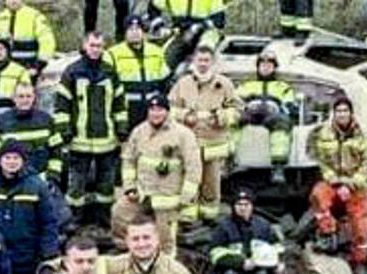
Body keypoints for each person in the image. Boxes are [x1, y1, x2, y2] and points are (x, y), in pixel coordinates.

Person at [0, 142, 65, 274]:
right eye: (7, 157)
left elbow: (48, 223)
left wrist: (48, 255)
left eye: (16, 158)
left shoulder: (37, 186)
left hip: (26, 257)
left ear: (23, 160)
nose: (11, 162)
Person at [57, 31, 128, 227]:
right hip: (79, 140)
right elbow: (61, 105)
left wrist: (122, 127)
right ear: (84, 46)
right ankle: (74, 220)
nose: (96, 49)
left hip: (107, 140)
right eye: (92, 45)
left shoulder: (110, 72)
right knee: (76, 185)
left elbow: (119, 104)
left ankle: (103, 219)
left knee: (106, 184)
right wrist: (64, 130)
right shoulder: (71, 72)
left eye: (99, 46)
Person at [112, 95, 200, 250]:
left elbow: (194, 168)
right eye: (152, 110)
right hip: (142, 192)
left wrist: (185, 198)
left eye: (160, 110)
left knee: (164, 240)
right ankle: (126, 252)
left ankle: (165, 267)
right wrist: (130, 187)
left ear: (167, 112)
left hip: (168, 197)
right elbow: (128, 160)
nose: (155, 113)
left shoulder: (183, 135)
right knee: (120, 213)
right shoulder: (139, 131)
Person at [169, 47, 241, 222]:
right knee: (189, 180)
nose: (202, 64)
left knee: (211, 183)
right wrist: (184, 115)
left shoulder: (225, 84)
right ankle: (188, 216)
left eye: (206, 60)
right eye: (199, 60)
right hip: (188, 144)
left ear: (213, 62)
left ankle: (210, 217)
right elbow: (169, 110)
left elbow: (237, 110)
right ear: (194, 61)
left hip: (213, 145)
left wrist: (221, 117)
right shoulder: (182, 84)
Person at [308, 96, 367, 267]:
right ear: (334, 114)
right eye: (338, 111)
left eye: (345, 111)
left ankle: (360, 257)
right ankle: (328, 233)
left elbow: (366, 167)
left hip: (355, 184)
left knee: (361, 221)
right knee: (317, 195)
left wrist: (350, 185)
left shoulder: (361, 137)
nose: (342, 114)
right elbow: (323, 163)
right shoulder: (324, 135)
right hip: (334, 182)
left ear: (351, 113)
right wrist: (335, 181)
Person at [237, 50, 297, 184]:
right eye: (262, 65)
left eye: (269, 65)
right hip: (250, 115)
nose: (265, 67)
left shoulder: (283, 87)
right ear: (258, 67)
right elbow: (235, 102)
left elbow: (291, 106)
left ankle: (278, 166)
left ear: (274, 68)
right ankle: (228, 160)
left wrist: (276, 109)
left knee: (282, 121)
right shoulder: (247, 85)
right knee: (232, 119)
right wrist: (247, 108)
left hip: (272, 116)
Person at [107, 15, 173, 132]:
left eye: (138, 29)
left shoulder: (156, 52)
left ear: (143, 32)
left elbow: (166, 84)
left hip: (153, 112)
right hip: (126, 112)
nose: (135, 32)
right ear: (125, 33)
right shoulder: (113, 54)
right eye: (131, 29)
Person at [0, 82, 65, 182]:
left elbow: (56, 151)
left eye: (28, 96)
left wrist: (53, 175)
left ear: (34, 98)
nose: (25, 100)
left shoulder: (47, 120)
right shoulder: (0, 121)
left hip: (42, 178)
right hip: (11, 180)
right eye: (21, 96)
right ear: (14, 98)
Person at [0, 0, 59, 73]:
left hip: (29, 69)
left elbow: (47, 41)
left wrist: (39, 65)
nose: (13, 1)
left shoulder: (34, 16)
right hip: (4, 69)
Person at [150, 0, 227, 66]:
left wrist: (197, 27)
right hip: (180, 31)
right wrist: (160, 27)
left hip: (207, 32)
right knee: (165, 59)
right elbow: (153, 9)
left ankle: (206, 79)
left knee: (204, 54)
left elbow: (219, 20)